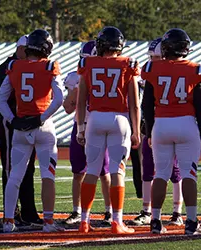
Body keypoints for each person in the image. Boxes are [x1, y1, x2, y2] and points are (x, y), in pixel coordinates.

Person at [141, 28, 201, 235]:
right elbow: (200, 107)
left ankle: (155, 221)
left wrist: (150, 131)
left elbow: (147, 105)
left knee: (160, 173)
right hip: (186, 123)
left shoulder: (152, 67)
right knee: (189, 173)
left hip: (161, 123)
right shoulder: (195, 69)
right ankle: (191, 222)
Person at [0, 29, 64, 233]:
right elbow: (59, 98)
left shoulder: (13, 66)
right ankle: (48, 223)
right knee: (47, 175)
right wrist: (42, 117)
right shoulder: (50, 66)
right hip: (43, 127)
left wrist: (13, 119)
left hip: (21, 128)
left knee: (15, 175)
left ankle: (8, 221)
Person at [75, 26, 141, 234]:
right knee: (117, 171)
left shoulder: (87, 63)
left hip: (94, 119)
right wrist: (137, 130)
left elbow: (80, 100)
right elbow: (135, 104)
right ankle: (116, 221)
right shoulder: (128, 63)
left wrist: (81, 127)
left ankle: (84, 221)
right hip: (119, 119)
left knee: (92, 170)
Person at [129, 37, 185, 227]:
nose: (152, 60)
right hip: (151, 126)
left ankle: (177, 212)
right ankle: (147, 210)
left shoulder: (175, 71)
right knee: (148, 169)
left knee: (175, 170)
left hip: (171, 123)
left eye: (157, 56)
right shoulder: (150, 71)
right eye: (151, 56)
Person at [61, 41, 113, 226]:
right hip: (80, 124)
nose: (84, 63)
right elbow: (68, 108)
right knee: (78, 171)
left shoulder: (105, 75)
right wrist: (75, 93)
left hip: (99, 126)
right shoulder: (75, 78)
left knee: (104, 171)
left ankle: (109, 211)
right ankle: (77, 211)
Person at [0, 35, 42, 226]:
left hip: (28, 123)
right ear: (22, 49)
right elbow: (6, 96)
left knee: (28, 169)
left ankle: (29, 212)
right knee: (10, 169)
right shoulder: (8, 67)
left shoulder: (29, 66)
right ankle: (11, 212)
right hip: (11, 122)